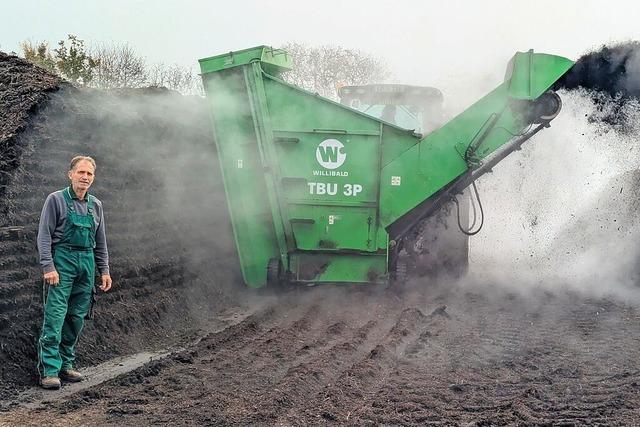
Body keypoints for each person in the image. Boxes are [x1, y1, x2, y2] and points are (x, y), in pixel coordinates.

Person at [36, 156, 112, 390]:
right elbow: (44, 235)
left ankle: (66, 365)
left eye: (89, 174)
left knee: (76, 317)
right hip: (63, 261)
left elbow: (101, 241)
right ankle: (49, 370)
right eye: (80, 172)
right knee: (56, 316)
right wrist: (48, 266)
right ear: (70, 174)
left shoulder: (95, 205)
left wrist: (104, 270)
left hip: (86, 263)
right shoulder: (56, 200)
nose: (84, 177)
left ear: (93, 178)